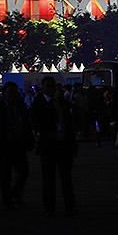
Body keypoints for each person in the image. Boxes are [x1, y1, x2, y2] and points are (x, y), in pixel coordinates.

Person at [31, 76, 78, 216]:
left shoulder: (60, 103)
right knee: (48, 179)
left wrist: (72, 143)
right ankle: (49, 207)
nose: (52, 89)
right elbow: (37, 123)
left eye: (53, 86)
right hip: (48, 146)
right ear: (43, 88)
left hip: (63, 145)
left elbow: (68, 125)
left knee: (66, 178)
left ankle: (70, 206)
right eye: (48, 86)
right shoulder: (38, 104)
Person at [0, 80, 32, 208]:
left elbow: (26, 124)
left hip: (19, 144)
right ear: (4, 93)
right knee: (5, 175)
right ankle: (8, 200)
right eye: (11, 92)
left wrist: (28, 139)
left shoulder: (21, 106)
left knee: (24, 171)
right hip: (4, 145)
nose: (13, 95)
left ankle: (17, 192)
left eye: (15, 92)